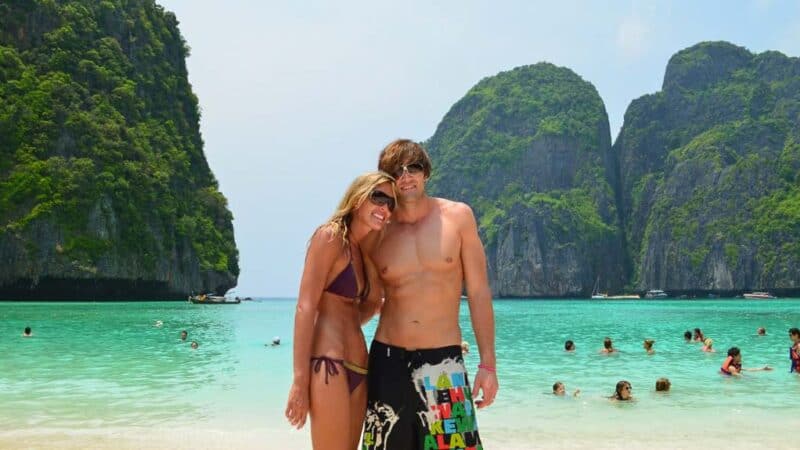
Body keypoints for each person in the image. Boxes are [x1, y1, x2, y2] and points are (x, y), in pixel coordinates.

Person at [360, 139, 497, 450]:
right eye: (397, 171)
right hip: (388, 359)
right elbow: (366, 300)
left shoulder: (458, 217)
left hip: (444, 361)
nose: (406, 176)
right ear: (387, 179)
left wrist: (488, 365)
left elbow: (478, 292)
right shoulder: (377, 232)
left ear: (426, 173)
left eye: (414, 168)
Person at [285, 172, 396, 450]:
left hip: (359, 365)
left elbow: (358, 314)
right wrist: (299, 381)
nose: (384, 208)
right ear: (358, 197)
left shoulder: (362, 252)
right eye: (378, 198)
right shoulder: (330, 236)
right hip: (328, 363)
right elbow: (305, 307)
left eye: (391, 204)